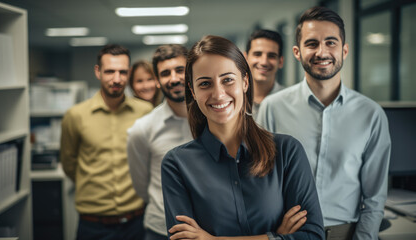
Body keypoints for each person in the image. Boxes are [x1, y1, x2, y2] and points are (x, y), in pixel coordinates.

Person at [161, 35, 325, 240]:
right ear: (192, 91)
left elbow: (312, 236)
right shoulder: (177, 164)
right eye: (205, 84)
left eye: (227, 80)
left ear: (245, 82)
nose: (219, 94)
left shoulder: (287, 151)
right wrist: (275, 236)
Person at [257, 6, 391, 240]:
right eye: (312, 43)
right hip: (290, 235)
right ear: (297, 52)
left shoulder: (371, 114)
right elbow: (260, 182)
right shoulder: (272, 107)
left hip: (346, 233)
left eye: (331, 42)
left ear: (344, 50)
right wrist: (273, 233)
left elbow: (374, 197)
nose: (322, 52)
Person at [60, 44, 152, 240]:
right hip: (93, 225)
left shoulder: (144, 111)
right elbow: (69, 164)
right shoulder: (75, 116)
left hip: (136, 223)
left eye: (123, 72)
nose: (117, 79)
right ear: (98, 72)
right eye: (110, 71)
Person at [127, 44, 192, 240]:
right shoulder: (142, 129)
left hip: (208, 229)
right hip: (160, 230)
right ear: (157, 80)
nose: (174, 79)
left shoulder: (214, 121)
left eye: (180, 70)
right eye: (165, 73)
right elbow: (141, 184)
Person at [245, 29, 285, 118]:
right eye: (257, 54)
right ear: (246, 58)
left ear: (281, 62)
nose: (264, 62)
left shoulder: (289, 102)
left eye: (271, 56)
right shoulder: (231, 101)